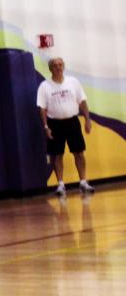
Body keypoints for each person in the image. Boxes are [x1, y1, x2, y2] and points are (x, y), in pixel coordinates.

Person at [36, 57, 94, 196]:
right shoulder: (45, 86)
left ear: (64, 66)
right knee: (57, 155)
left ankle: (83, 182)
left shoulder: (73, 82)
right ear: (50, 69)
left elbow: (82, 101)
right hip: (55, 124)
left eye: (60, 65)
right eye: (55, 65)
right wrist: (45, 126)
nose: (58, 67)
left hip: (73, 122)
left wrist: (87, 119)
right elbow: (42, 108)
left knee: (79, 152)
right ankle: (61, 184)